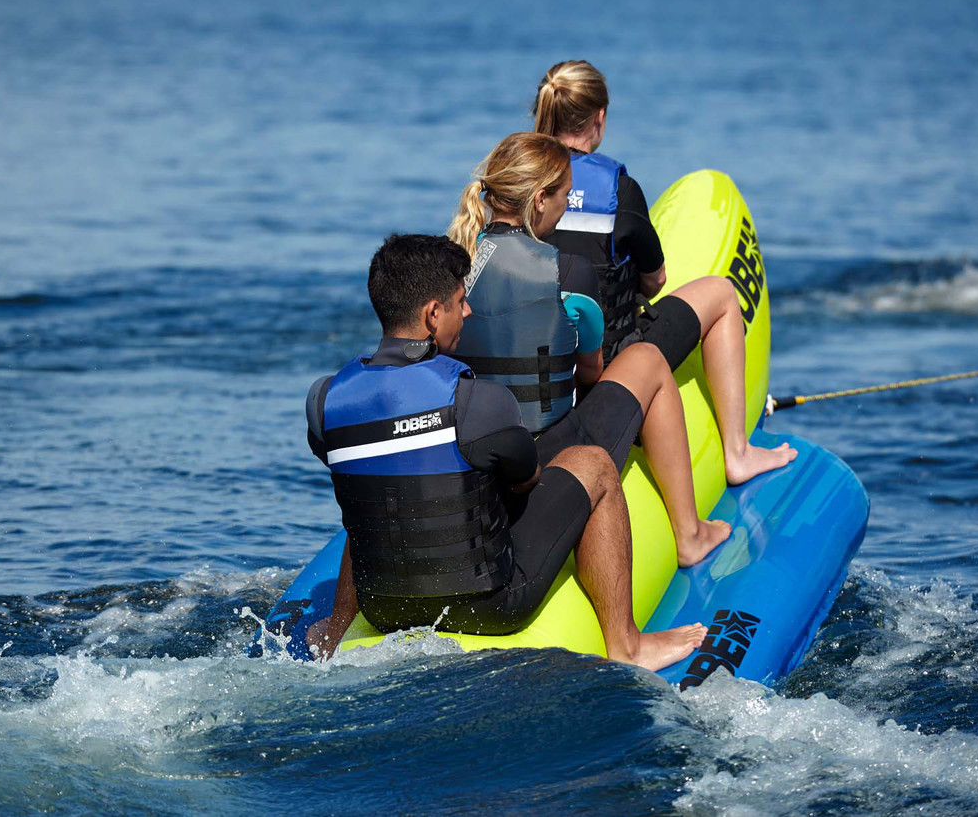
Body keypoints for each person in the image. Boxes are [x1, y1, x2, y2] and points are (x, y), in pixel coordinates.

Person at [304, 234, 706, 671]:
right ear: (433, 314)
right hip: (489, 605)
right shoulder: (478, 400)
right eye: (461, 302)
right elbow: (527, 477)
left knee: (374, 491)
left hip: (384, 610)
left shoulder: (324, 401)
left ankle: (338, 626)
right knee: (593, 463)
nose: (468, 312)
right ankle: (627, 644)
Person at [447, 132, 731, 567]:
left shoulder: (451, 267)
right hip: (549, 449)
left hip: (474, 450)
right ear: (539, 199)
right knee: (647, 360)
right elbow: (591, 374)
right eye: (563, 195)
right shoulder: (569, 272)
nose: (565, 208)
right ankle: (689, 533)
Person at [533, 60, 797, 485]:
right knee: (722, 294)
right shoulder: (619, 191)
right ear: (599, 118)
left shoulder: (520, 182)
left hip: (540, 368)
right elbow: (656, 280)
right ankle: (737, 453)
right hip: (609, 366)